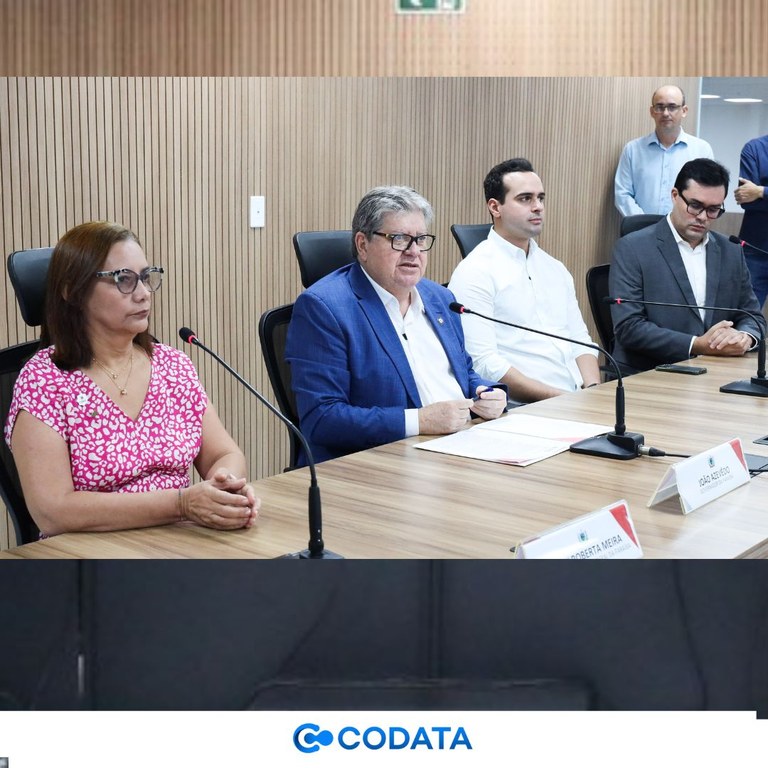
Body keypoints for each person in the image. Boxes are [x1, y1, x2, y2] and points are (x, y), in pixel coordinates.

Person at [4, 221, 260, 537]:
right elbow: (53, 511)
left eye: (146, 277)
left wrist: (225, 489)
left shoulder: (172, 366)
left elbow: (225, 454)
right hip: (91, 556)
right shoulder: (44, 380)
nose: (143, 294)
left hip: (182, 543)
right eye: (123, 279)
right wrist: (181, 504)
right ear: (73, 291)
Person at [285, 186, 507, 464]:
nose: (414, 252)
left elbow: (464, 373)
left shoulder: (441, 299)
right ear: (363, 245)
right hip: (382, 463)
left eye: (421, 239)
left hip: (463, 446)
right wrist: (420, 420)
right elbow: (322, 418)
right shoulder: (324, 308)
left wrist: (486, 392)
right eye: (399, 239)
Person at [448, 158, 601, 402]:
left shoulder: (555, 268)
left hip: (576, 399)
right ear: (495, 207)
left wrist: (594, 392)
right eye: (525, 198)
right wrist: (563, 399)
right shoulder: (474, 272)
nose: (538, 206)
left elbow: (581, 341)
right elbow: (485, 363)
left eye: (541, 198)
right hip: (521, 407)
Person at [609, 158, 765, 373]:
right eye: (695, 206)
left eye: (713, 210)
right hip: (652, 372)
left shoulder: (731, 250)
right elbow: (629, 327)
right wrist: (697, 344)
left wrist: (745, 337)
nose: (702, 217)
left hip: (717, 371)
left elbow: (753, 316)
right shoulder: (632, 248)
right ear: (675, 195)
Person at [614, 85, 714, 217]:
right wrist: (642, 223)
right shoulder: (633, 150)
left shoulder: (702, 150)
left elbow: (708, 194)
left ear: (684, 111)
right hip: (642, 228)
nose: (666, 113)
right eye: (660, 107)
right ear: (652, 111)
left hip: (685, 227)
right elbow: (623, 194)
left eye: (672, 107)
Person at [733, 133, 768, 308]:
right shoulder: (754, 148)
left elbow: (754, 196)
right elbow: (747, 201)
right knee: (746, 313)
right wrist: (755, 195)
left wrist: (761, 191)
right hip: (756, 251)